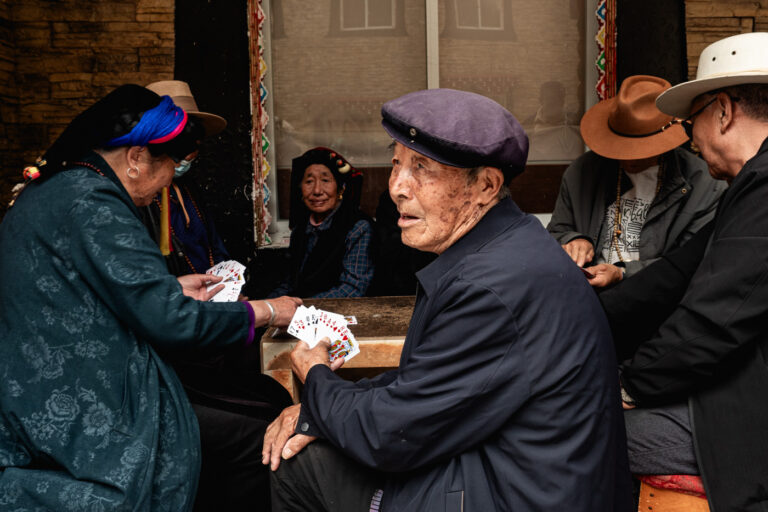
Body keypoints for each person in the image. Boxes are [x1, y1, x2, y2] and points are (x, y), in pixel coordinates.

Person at [263, 88, 632, 511]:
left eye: (422, 168)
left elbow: (390, 435)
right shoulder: (503, 246)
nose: (397, 187)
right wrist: (321, 411)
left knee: (294, 465)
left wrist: (318, 379)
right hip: (509, 469)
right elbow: (424, 385)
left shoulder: (491, 286)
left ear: (486, 186)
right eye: (397, 162)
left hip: (517, 494)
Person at [0, 84, 301, 510]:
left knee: (261, 399)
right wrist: (269, 310)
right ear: (138, 158)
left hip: (45, 383)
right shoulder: (95, 201)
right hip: (80, 399)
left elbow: (82, 289)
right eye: (171, 167)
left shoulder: (62, 188)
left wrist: (170, 288)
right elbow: (175, 323)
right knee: (262, 440)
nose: (166, 185)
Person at [598, 32, 768, 511]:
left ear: (723, 111)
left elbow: (714, 321)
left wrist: (631, 384)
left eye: (690, 121)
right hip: (740, 390)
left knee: (572, 425)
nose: (689, 139)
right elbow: (672, 276)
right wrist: (578, 318)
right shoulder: (749, 186)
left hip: (749, 416)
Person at [140, 80, 291, 512]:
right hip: (167, 362)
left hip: (203, 332)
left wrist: (225, 285)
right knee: (257, 423)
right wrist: (262, 311)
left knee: (272, 396)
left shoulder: (188, 194)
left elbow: (213, 256)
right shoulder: (136, 206)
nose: (187, 153)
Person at [547, 75, 725, 288]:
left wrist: (623, 273)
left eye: (641, 149)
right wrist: (574, 240)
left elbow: (690, 263)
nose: (628, 158)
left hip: (657, 300)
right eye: (621, 146)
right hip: (585, 296)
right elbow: (555, 232)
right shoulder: (582, 172)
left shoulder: (705, 185)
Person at [143, 80, 231, 277]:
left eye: (194, 144)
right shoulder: (143, 195)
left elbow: (213, 244)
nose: (187, 156)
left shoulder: (189, 188)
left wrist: (226, 283)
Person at [270, 147, 374, 298]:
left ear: (340, 189)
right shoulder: (301, 229)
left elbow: (353, 289)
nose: (317, 190)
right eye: (309, 181)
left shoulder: (358, 227)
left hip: (334, 314)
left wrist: (299, 308)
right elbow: (290, 283)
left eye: (325, 180)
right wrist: (266, 305)